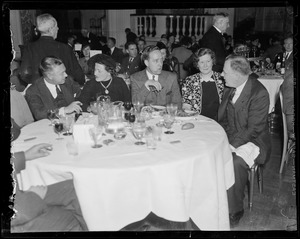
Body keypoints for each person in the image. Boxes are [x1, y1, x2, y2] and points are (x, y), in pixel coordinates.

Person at [218, 55, 271, 227]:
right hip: (233, 136)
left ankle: (235, 210)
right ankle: (216, 199)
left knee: (235, 162)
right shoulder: (230, 87)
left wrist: (231, 145)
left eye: (225, 72)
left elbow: (253, 129)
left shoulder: (259, 93)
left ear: (237, 74)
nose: (221, 75)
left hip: (254, 141)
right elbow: (224, 120)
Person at [10, 118, 88, 232]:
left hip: (20, 199)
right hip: (18, 223)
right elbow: (17, 213)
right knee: (79, 217)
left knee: (75, 188)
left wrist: (25, 156)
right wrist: (34, 197)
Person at [19, 13, 85, 86]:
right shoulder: (65, 48)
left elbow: (24, 73)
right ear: (51, 29)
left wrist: (35, 84)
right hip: (62, 90)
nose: (58, 29)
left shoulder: (29, 48)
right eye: (56, 26)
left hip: (38, 91)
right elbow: (78, 74)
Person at [25, 56, 82, 120]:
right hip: (48, 126)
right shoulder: (33, 91)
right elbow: (39, 114)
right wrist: (64, 110)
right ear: (49, 76)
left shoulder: (68, 81)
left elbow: (81, 96)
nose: (66, 75)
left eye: (65, 71)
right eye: (62, 73)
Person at [182, 48, 224, 120]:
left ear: (212, 62)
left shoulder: (222, 79)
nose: (205, 65)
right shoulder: (189, 81)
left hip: (219, 121)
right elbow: (186, 105)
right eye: (201, 62)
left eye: (208, 61)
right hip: (197, 120)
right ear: (197, 64)